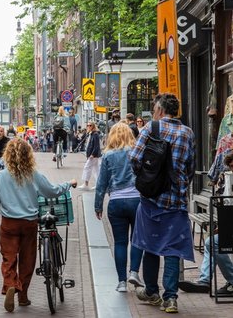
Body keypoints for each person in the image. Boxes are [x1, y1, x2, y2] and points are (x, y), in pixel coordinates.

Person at [129, 93, 195, 313]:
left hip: (151, 200)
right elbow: (190, 168)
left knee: (150, 245)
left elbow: (135, 158)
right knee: (173, 249)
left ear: (159, 108)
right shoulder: (188, 133)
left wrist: (148, 178)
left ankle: (152, 292)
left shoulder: (150, 128)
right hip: (176, 201)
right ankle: (171, 298)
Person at [0, 138, 77, 312]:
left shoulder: (1, 175)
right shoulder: (33, 174)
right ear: (28, 155)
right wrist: (68, 184)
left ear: (8, 155)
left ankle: (10, 284)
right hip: (29, 222)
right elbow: (51, 191)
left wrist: (6, 206)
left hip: (9, 223)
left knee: (8, 258)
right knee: (27, 258)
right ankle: (23, 297)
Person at [94, 123, 144, 292]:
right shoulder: (136, 152)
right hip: (137, 200)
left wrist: (98, 205)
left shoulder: (108, 155)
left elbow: (101, 183)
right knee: (137, 240)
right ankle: (134, 272)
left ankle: (121, 282)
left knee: (120, 242)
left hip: (116, 201)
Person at [179, 152, 233, 295]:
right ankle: (205, 281)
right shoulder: (228, 179)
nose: (231, 171)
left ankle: (228, 281)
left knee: (214, 243)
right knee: (212, 242)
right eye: (230, 168)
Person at [77, 121, 101, 190]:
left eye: (90, 125)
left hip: (93, 155)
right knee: (96, 170)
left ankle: (86, 184)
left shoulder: (95, 134)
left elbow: (96, 146)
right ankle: (98, 184)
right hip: (92, 154)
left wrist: (92, 154)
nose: (88, 127)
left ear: (93, 126)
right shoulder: (90, 134)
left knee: (87, 167)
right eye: (87, 125)